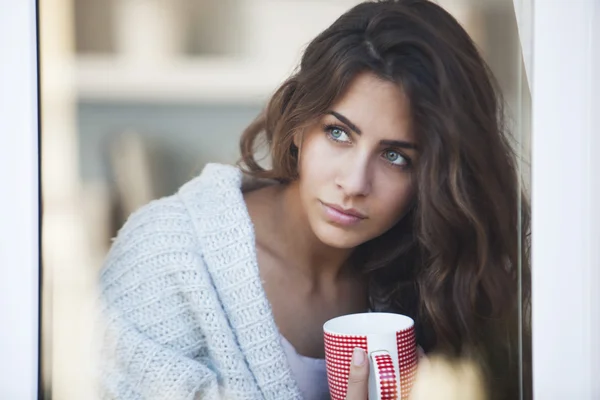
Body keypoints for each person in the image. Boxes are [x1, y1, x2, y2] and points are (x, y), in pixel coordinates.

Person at [97, 0, 531, 399]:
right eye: (338, 132)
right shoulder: (166, 256)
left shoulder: (419, 282)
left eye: (396, 156)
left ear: (434, 177)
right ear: (301, 122)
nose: (355, 182)